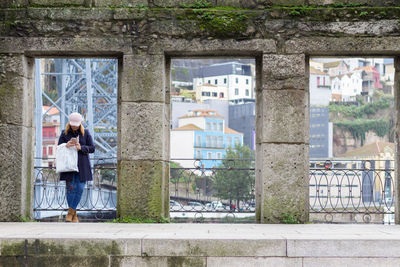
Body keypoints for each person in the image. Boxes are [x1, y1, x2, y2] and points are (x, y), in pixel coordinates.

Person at [58, 112, 95, 222]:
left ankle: (71, 212)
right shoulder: (64, 133)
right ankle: (73, 214)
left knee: (79, 188)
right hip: (68, 165)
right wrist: (66, 145)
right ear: (69, 123)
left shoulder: (86, 133)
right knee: (70, 189)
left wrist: (81, 148)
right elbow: (59, 148)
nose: (74, 126)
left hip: (82, 166)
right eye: (73, 124)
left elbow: (92, 148)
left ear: (80, 124)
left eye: (76, 124)